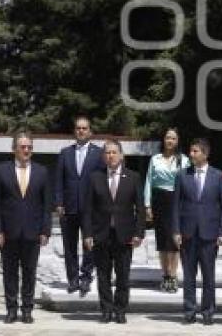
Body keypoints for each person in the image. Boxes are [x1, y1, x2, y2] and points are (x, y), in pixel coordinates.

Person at [0, 131, 52, 324]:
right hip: (8, 232)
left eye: (29, 147)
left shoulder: (42, 171)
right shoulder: (1, 170)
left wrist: (45, 230)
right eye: (23, 147)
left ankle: (27, 310)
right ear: (14, 149)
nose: (26, 150)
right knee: (9, 273)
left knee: (29, 272)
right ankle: (11, 310)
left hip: (33, 232)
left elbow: (46, 204)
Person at [82, 139, 145, 324]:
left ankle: (120, 310)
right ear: (103, 156)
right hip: (101, 234)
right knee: (103, 275)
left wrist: (139, 233)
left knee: (123, 275)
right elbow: (88, 209)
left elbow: (140, 208)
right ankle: (106, 310)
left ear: (121, 155)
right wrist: (87, 234)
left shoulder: (133, 177)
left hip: (124, 236)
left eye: (114, 152)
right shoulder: (95, 177)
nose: (110, 156)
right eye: (107, 153)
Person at [172, 138, 222, 325]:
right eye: (191, 151)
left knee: (208, 276)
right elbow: (175, 206)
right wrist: (176, 230)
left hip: (210, 234)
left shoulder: (218, 176)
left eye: (195, 151)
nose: (191, 154)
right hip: (187, 234)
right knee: (189, 276)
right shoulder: (181, 175)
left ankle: (208, 311)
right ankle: (189, 311)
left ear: (205, 154)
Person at [54, 115, 106, 296]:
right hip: (68, 208)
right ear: (74, 131)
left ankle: (86, 277)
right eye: (78, 128)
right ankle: (73, 279)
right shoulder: (65, 153)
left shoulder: (100, 154)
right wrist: (59, 202)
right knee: (69, 246)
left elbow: (101, 181)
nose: (81, 131)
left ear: (90, 131)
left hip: (90, 208)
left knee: (89, 244)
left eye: (84, 128)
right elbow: (59, 180)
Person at [143, 128, 190, 293]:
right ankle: (165, 275)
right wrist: (147, 204)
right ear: (163, 140)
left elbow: (187, 183)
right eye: (167, 137)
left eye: (173, 138)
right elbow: (149, 180)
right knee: (162, 240)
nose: (170, 141)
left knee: (174, 239)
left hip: (175, 200)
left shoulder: (184, 160)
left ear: (177, 141)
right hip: (158, 200)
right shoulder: (155, 159)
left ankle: (173, 275)